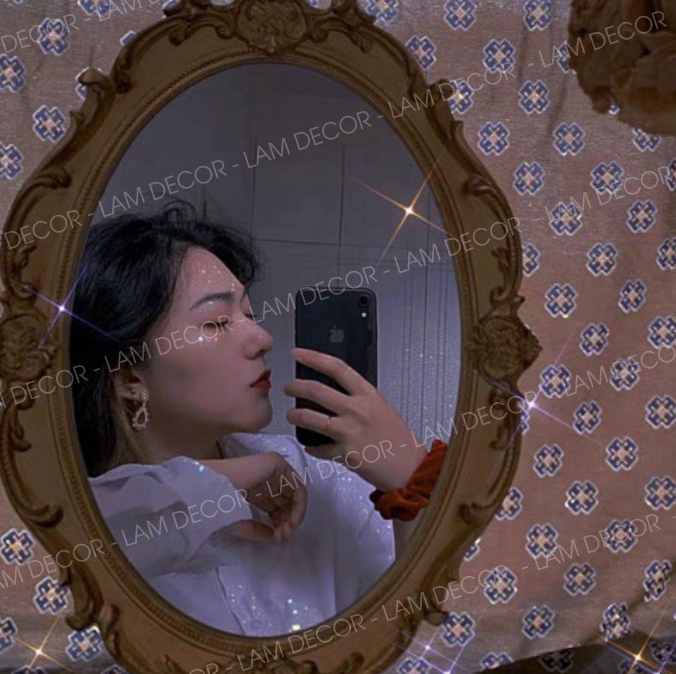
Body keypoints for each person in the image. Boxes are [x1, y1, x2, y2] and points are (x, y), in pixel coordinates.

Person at [69, 204, 447, 637]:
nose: (263, 338)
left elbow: (437, 637)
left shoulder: (316, 481)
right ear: (130, 378)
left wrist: (414, 480)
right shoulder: (77, 510)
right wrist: (222, 480)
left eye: (249, 315)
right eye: (216, 322)